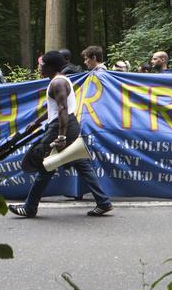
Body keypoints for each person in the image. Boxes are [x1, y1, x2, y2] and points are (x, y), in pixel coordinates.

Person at [11, 50, 114, 218]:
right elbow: (54, 107)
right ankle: (103, 202)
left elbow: (62, 109)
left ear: (51, 67)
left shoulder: (58, 83)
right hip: (67, 125)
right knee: (81, 164)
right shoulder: (59, 80)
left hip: (60, 127)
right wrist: (37, 122)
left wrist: (61, 137)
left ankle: (30, 207)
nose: (39, 67)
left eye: (42, 65)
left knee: (46, 165)